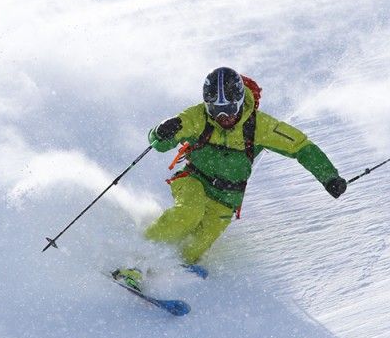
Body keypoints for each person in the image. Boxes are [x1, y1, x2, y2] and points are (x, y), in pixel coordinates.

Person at [112, 67, 347, 292]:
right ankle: (133, 262)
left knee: (198, 244)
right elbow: (160, 144)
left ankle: (169, 264)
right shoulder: (198, 117)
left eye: (230, 108)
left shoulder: (260, 126)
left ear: (240, 101)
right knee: (189, 212)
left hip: (227, 197)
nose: (223, 116)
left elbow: (301, 146)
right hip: (193, 179)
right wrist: (160, 132)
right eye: (216, 109)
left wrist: (329, 177)